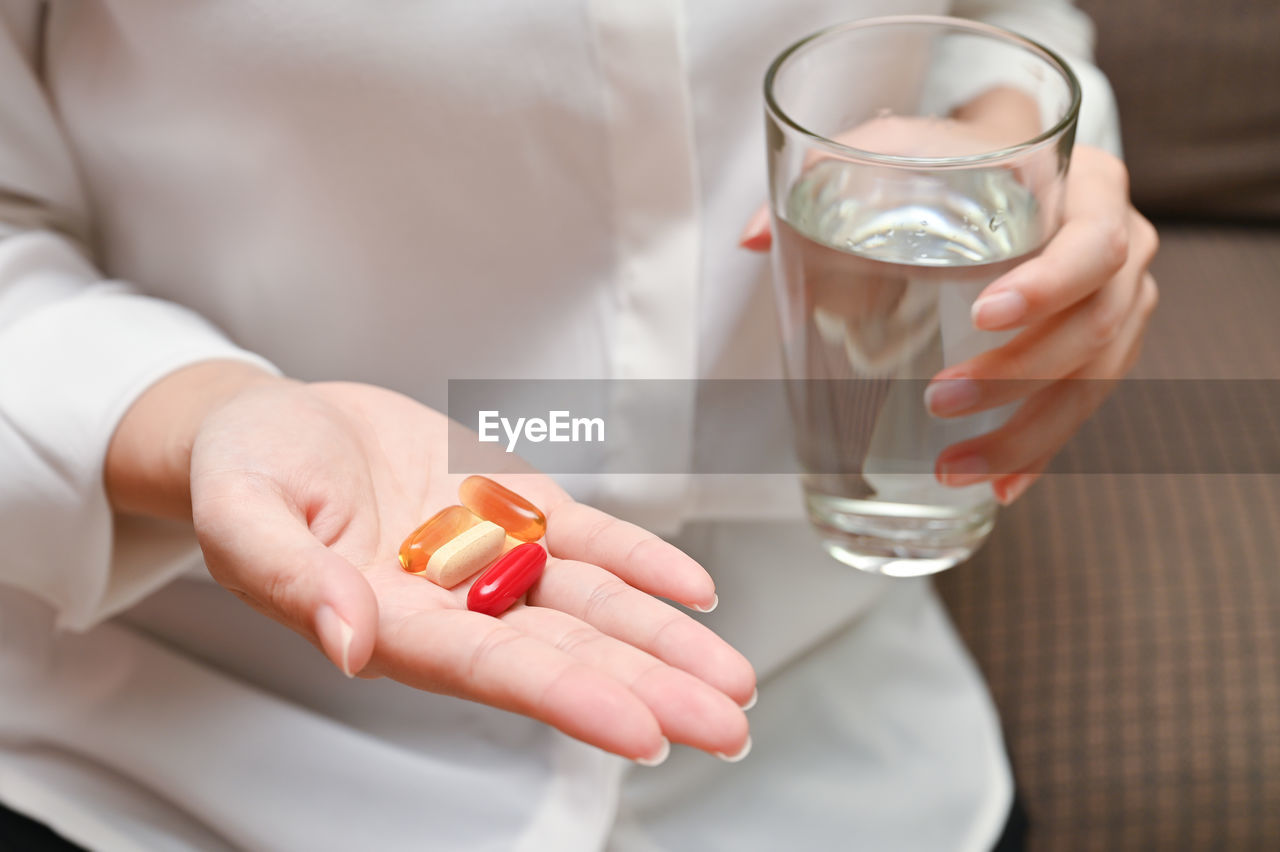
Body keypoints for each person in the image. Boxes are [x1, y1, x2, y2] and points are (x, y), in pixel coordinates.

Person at [0, 1, 1156, 849]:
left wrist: (1011, 154)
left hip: (829, 740)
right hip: (179, 759)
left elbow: (996, 24)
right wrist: (206, 413)